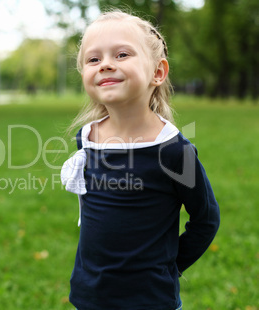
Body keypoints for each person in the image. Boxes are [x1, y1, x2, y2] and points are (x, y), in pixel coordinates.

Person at [60, 10, 220, 310]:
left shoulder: (173, 152)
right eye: (93, 60)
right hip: (90, 296)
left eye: (121, 54)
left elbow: (206, 219)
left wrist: (168, 267)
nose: (106, 64)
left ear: (158, 72)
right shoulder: (87, 138)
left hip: (150, 300)